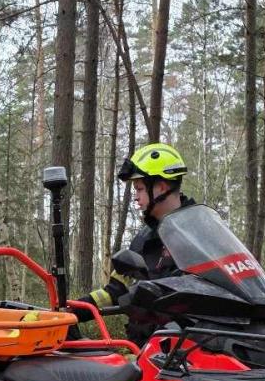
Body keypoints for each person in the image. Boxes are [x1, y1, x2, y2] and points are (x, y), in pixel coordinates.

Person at [72, 144, 196, 343]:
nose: (135, 197)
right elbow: (116, 289)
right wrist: (74, 310)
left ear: (161, 187)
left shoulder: (200, 232)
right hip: (147, 353)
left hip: (189, 348)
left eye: (139, 189)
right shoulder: (144, 239)